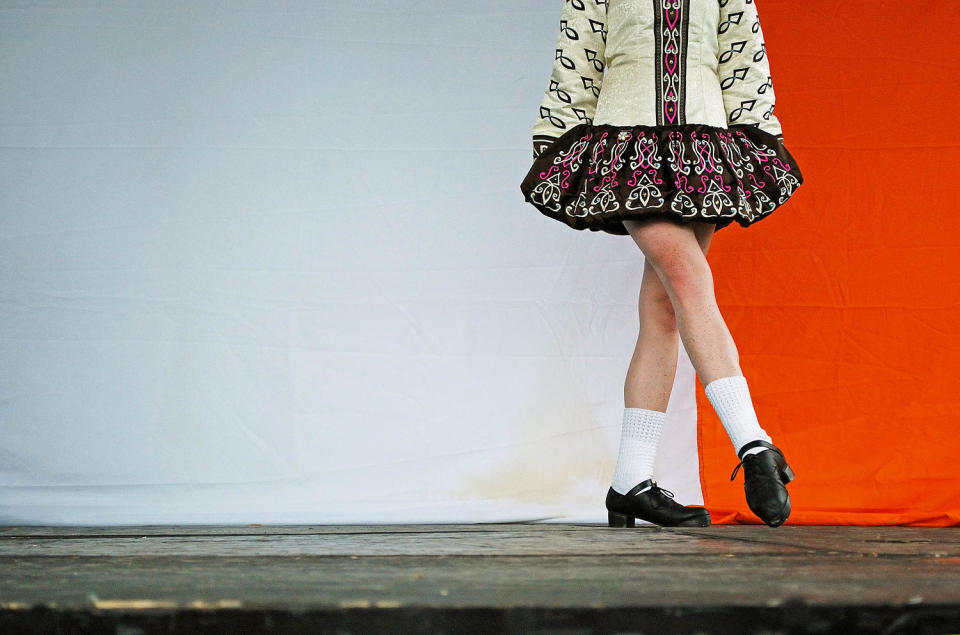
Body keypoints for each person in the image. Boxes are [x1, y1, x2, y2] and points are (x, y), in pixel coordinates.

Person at [519, 0, 803, 528]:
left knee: (664, 309)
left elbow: (745, 66)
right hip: (627, 150)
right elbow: (577, 62)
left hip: (704, 151)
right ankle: (754, 444)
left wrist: (756, 139)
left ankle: (630, 482)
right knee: (690, 278)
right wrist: (558, 140)